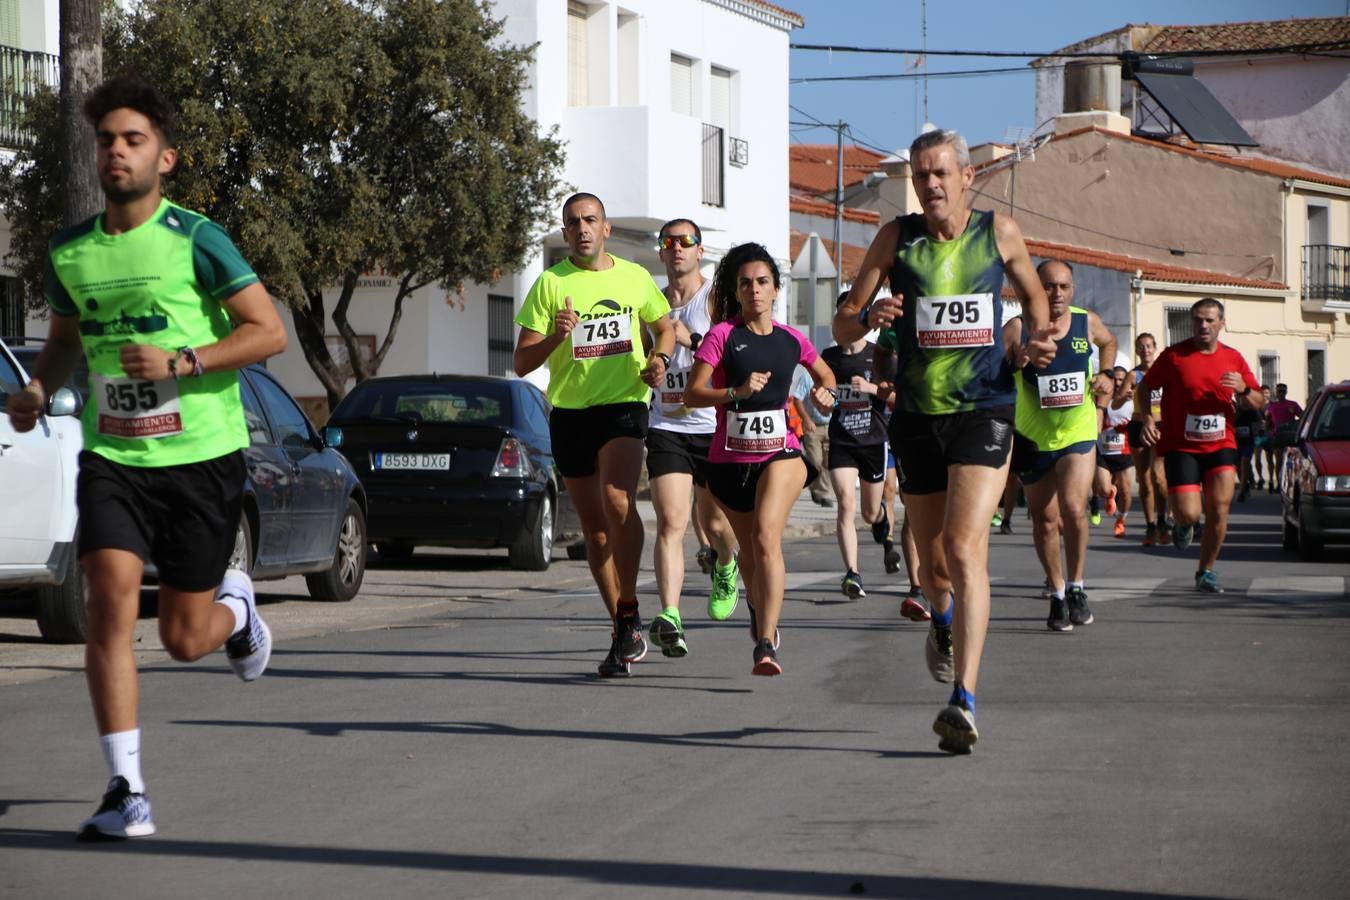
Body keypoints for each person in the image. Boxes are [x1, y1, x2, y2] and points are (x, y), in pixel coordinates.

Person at [3, 77, 288, 839]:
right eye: (106, 141)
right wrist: (37, 388)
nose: (117, 152)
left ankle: (237, 612)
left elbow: (268, 333)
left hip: (201, 457)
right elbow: (65, 346)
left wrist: (183, 361)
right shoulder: (72, 250)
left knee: (184, 640)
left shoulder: (198, 238)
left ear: (165, 158)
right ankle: (126, 788)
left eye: (132, 141)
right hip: (115, 459)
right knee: (107, 600)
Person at [833, 128, 1055, 754]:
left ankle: (964, 698)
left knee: (963, 547)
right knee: (932, 566)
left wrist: (1036, 341)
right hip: (916, 415)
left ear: (966, 178)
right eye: (920, 175)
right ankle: (944, 618)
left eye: (939, 173)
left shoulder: (998, 233)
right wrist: (866, 318)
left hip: (984, 409)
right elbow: (843, 317)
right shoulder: (896, 238)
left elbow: (1034, 298)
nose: (930, 184)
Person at [513, 192, 674, 677]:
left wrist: (659, 360)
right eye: (572, 222)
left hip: (624, 404)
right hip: (570, 412)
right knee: (594, 527)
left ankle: (629, 608)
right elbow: (521, 362)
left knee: (617, 499)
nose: (581, 228)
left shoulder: (635, 276)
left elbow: (664, 328)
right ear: (564, 234)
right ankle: (624, 621)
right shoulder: (550, 283)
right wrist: (557, 336)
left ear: (606, 228)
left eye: (590, 220)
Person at [684, 242, 835, 675]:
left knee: (767, 537)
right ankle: (756, 606)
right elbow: (694, 393)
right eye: (746, 284)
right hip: (730, 462)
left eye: (762, 283)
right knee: (751, 553)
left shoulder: (792, 340)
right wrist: (737, 392)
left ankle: (766, 643)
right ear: (737, 290)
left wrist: (826, 393)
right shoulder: (722, 336)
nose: (754, 291)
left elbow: (825, 375)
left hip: (781, 454)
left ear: (775, 290)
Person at [643, 218, 740, 658]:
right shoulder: (653, 305)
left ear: (700, 250)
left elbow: (735, 355)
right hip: (667, 424)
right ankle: (671, 616)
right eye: (669, 242)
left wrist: (693, 338)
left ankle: (726, 564)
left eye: (686, 241)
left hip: (712, 425)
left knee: (716, 524)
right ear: (661, 252)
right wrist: (652, 369)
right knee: (671, 521)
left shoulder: (715, 299)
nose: (677, 248)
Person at [1008, 260, 1116, 632]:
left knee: (1073, 507)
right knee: (1044, 520)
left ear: (1073, 289)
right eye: (1049, 286)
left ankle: (1077, 587)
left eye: (1064, 286)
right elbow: (994, 369)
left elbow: (1110, 343)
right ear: (1035, 288)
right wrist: (1018, 361)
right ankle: (1055, 591)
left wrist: (1105, 375)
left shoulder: (1086, 322)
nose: (1056, 293)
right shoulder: (1018, 327)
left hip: (1078, 430)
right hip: (1034, 437)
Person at [1139, 298, 1264, 593]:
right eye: (1198, 320)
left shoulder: (1233, 358)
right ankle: (1183, 524)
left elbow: (1259, 401)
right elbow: (1145, 387)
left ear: (1222, 324)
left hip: (1222, 441)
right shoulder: (1173, 356)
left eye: (1209, 320)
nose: (1203, 325)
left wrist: (1244, 389)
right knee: (1191, 514)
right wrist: (1146, 417)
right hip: (1182, 446)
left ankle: (1205, 571)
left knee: (1219, 508)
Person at [821, 293, 894, 599]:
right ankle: (853, 573)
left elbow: (895, 398)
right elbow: (822, 400)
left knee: (868, 513)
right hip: (842, 441)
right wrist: (820, 400)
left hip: (874, 441)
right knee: (845, 504)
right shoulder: (829, 357)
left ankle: (881, 519)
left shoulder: (878, 355)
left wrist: (871, 388)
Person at [1128, 334, 1171, 546]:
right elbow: (1116, 403)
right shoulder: (1133, 375)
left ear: (1155, 348)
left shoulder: (1163, 372)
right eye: (1141, 347)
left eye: (1148, 346)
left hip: (1160, 426)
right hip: (1138, 426)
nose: (1145, 350)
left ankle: (1163, 519)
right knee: (1144, 482)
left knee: (1159, 477)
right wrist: (1123, 396)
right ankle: (1150, 525)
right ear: (1137, 351)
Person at [1094, 365, 1136, 538]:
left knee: (1127, 493)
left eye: (1122, 379)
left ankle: (1121, 520)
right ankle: (1111, 492)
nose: (1118, 383)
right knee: (1103, 490)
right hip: (1103, 451)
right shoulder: (1100, 398)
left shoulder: (1132, 400)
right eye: (1115, 379)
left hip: (1125, 452)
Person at [792, 364, 834, 506]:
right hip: (813, 426)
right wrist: (807, 419)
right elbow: (797, 399)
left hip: (830, 425)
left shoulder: (831, 378)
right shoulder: (806, 378)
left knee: (828, 462)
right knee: (816, 461)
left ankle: (824, 492)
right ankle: (819, 492)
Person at [1265, 383, 1304, 493]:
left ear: (1286, 392)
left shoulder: (1292, 404)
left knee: (1289, 462)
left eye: (1283, 391)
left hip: (1290, 437)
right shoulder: (1272, 406)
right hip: (1277, 436)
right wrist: (1266, 429)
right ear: (1276, 393)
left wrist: (1295, 421)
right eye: (1279, 391)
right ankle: (1279, 484)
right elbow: (1268, 421)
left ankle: (1289, 483)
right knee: (1278, 461)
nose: (1281, 393)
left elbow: (1303, 417)